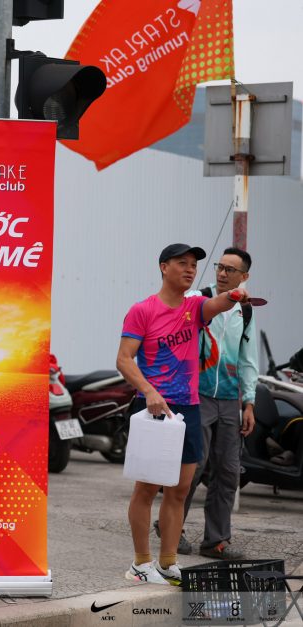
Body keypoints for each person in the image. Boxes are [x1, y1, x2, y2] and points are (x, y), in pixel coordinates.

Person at [116, 243, 251, 585]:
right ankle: (140, 564)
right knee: (147, 489)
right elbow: (124, 359)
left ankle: (168, 563)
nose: (190, 269)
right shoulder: (142, 310)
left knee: (179, 489)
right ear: (164, 267)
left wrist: (237, 294)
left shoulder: (195, 307)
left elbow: (221, 302)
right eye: (182, 263)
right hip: (154, 409)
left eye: (194, 265)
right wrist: (149, 391)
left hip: (188, 409)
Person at [157, 247, 258, 559]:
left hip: (229, 400)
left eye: (230, 269)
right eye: (219, 267)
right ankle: (172, 528)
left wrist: (249, 402)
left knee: (228, 471)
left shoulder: (246, 311)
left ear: (244, 276)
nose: (222, 273)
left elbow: (248, 359)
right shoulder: (196, 300)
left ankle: (215, 541)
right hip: (195, 396)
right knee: (192, 466)